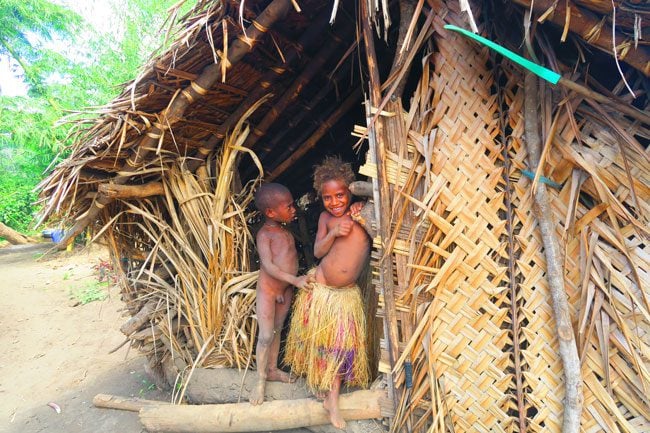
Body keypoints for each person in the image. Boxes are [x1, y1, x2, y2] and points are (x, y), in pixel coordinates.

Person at [285, 156, 370, 429]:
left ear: (350, 192)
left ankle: (329, 395)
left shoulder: (363, 213)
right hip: (321, 291)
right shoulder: (325, 218)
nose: (335, 202)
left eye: (340, 195)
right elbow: (319, 251)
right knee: (323, 348)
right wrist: (333, 232)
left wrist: (361, 215)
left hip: (345, 298)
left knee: (340, 348)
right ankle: (330, 399)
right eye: (328, 197)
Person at [250, 183, 312, 406]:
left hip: (284, 291)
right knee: (265, 335)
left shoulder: (285, 231)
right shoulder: (264, 235)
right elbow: (268, 266)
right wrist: (295, 280)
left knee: (276, 331)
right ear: (270, 212)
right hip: (268, 291)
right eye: (288, 206)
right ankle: (260, 381)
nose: (293, 208)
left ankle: (273, 370)